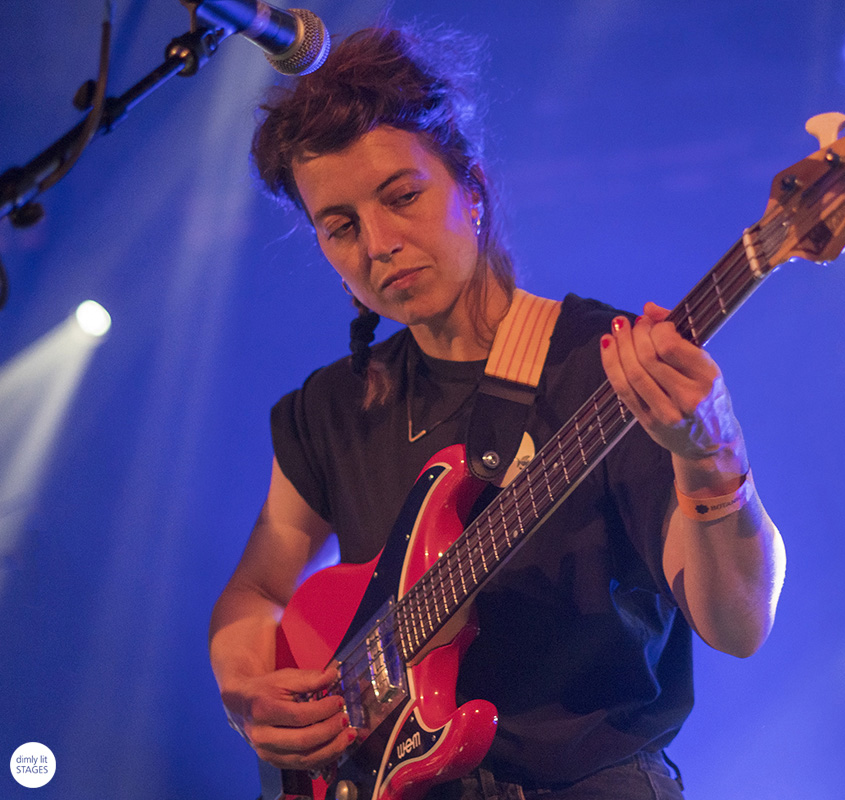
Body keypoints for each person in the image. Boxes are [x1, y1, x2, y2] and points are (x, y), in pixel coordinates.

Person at [208, 24, 785, 800]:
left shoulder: (603, 365)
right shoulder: (329, 409)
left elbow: (739, 625)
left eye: (403, 196)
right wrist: (248, 691)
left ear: (473, 190)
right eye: (339, 226)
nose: (377, 244)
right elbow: (257, 590)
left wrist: (713, 459)